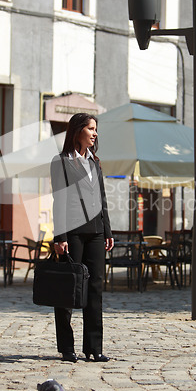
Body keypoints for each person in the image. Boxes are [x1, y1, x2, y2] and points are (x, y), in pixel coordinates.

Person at [50, 113, 114, 363]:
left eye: (95, 129)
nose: (95, 133)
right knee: (67, 290)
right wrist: (60, 236)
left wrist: (107, 230)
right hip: (73, 234)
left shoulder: (94, 163)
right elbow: (60, 201)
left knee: (95, 289)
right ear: (78, 131)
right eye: (90, 128)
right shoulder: (61, 162)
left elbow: (103, 201)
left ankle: (93, 348)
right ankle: (67, 348)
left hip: (96, 234)